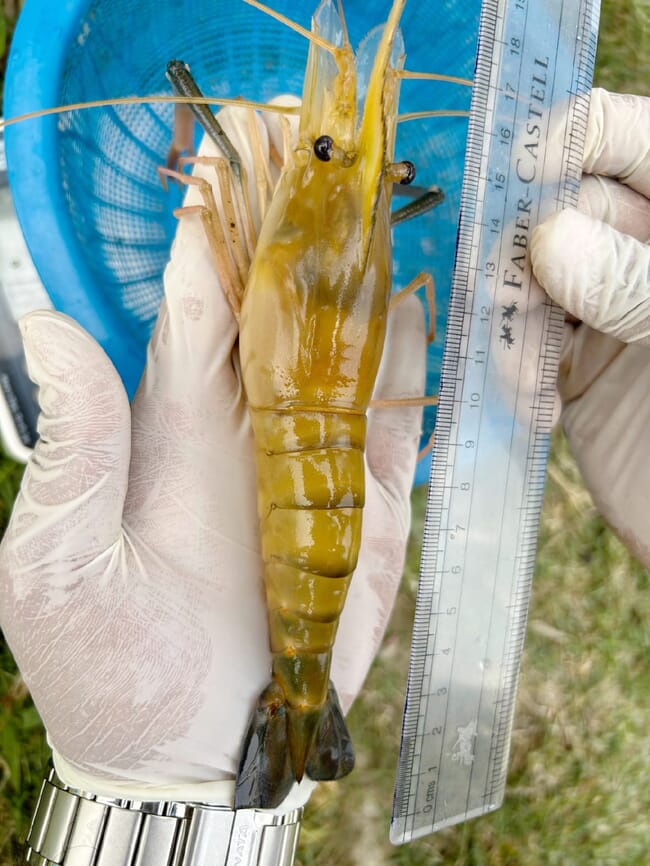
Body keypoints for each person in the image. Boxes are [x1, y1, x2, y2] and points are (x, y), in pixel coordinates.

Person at [0, 86, 647, 864]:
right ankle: (303, 701)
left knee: (218, 189)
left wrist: (146, 813)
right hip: (322, 473)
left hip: (306, 472)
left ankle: (299, 702)